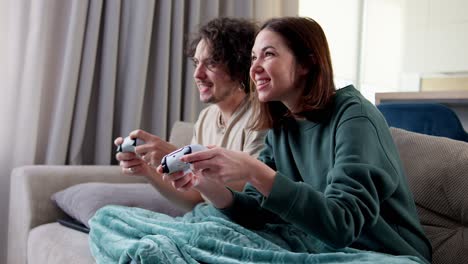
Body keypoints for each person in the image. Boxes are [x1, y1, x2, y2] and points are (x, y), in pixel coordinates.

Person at [90, 17, 431, 264]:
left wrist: (254, 171)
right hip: (311, 243)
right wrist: (204, 183)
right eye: (253, 57)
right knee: (108, 220)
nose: (254, 68)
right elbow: (253, 213)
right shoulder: (283, 125)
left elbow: (342, 224)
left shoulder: (353, 116)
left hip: (378, 252)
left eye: (268, 54)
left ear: (306, 64)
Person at [115, 17, 266, 211]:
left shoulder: (261, 115)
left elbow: (253, 192)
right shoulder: (206, 118)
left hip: (242, 222)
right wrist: (146, 170)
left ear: (239, 67)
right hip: (207, 217)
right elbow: (196, 199)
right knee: (108, 218)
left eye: (211, 63)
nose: (197, 74)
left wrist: (177, 157)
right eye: (196, 63)